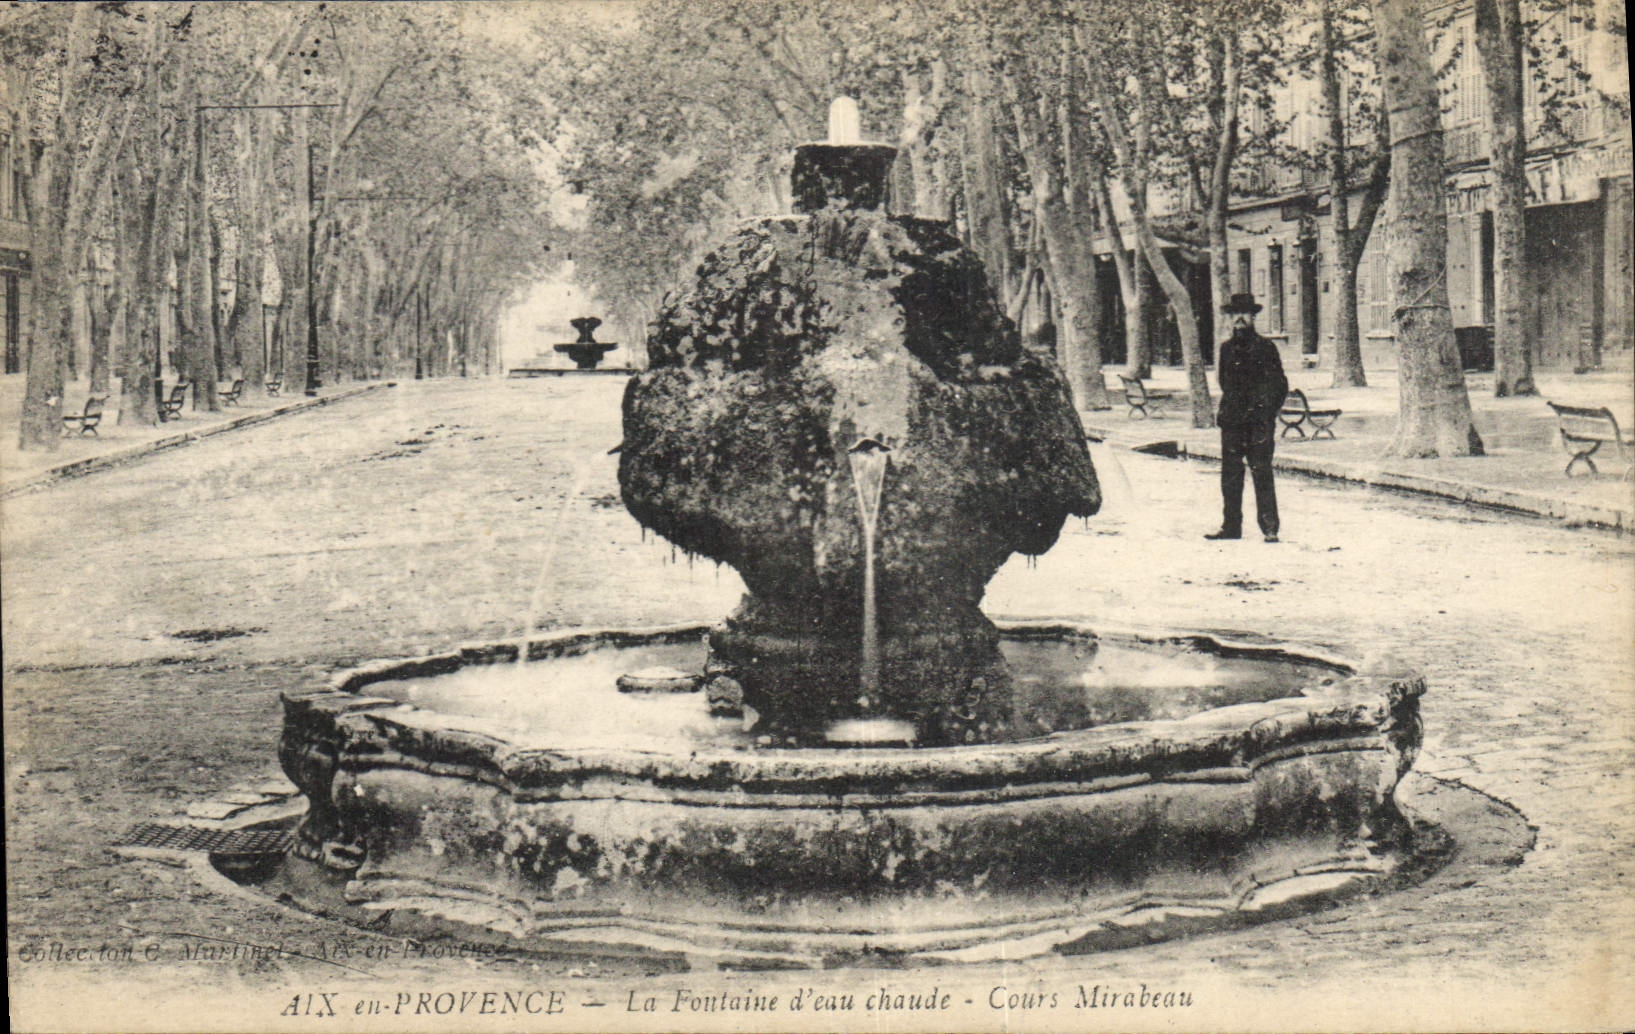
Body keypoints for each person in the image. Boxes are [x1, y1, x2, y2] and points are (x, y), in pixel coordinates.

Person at [1206, 293, 1288, 543]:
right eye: (1235, 315)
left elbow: (1279, 385)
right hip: (1232, 421)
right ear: (1230, 319)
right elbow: (1223, 382)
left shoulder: (1266, 348)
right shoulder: (1226, 349)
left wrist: (1265, 412)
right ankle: (1231, 526)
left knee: (1261, 472)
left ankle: (1270, 527)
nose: (1239, 319)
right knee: (1230, 475)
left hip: (1258, 423)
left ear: (1253, 317)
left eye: (1245, 314)